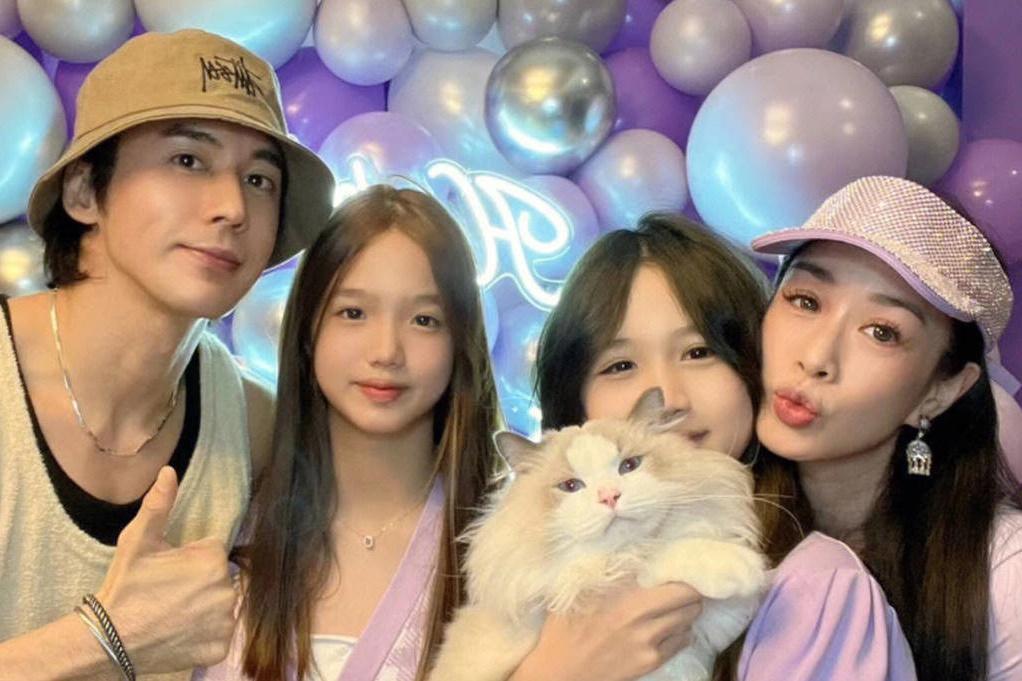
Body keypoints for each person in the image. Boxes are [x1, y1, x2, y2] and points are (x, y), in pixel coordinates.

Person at [0, 29, 334, 680]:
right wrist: (105, 639)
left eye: (259, 179)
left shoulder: (251, 425)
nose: (232, 208)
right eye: (187, 159)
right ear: (84, 192)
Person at [513, 213, 916, 681]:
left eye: (698, 352)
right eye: (620, 366)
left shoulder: (816, 590)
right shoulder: (527, 588)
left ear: (751, 365)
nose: (669, 397)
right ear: (574, 403)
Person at [194, 184, 503, 681]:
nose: (386, 352)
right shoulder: (225, 518)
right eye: (353, 313)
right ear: (308, 330)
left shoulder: (506, 548)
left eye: (425, 320)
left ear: (459, 342)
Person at [751, 175, 1022, 681]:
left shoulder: (1003, 571)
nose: (816, 358)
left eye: (881, 332)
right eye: (805, 301)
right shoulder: (691, 506)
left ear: (941, 391)